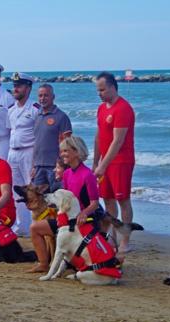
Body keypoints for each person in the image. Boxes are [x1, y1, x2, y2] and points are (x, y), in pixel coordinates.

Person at [29, 136, 100, 272]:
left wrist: (84, 213)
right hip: (66, 220)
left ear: (77, 152)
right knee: (35, 228)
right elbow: (64, 200)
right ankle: (43, 264)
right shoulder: (67, 174)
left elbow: (95, 203)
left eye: (66, 151)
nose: (62, 154)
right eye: (62, 151)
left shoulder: (88, 175)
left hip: (82, 221)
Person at [93, 71, 135, 253]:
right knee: (108, 199)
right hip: (105, 161)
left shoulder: (123, 108)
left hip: (121, 161)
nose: (99, 93)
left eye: (102, 90)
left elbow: (117, 141)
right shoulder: (102, 108)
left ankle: (125, 239)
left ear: (112, 87)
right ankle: (112, 237)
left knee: (122, 199)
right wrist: (96, 161)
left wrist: (103, 165)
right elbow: (99, 136)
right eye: (98, 90)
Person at [6, 72, 38, 236]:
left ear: (28, 88)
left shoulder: (34, 109)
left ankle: (34, 225)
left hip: (29, 151)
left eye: (19, 86)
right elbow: (10, 131)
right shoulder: (11, 109)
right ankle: (21, 226)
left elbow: (40, 135)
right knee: (16, 189)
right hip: (13, 152)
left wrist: (35, 161)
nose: (15, 89)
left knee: (31, 189)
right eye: (14, 86)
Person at [32, 84, 72, 187]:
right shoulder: (37, 116)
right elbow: (36, 142)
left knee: (57, 200)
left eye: (46, 95)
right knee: (39, 201)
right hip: (38, 167)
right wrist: (33, 166)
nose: (42, 98)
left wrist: (62, 166)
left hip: (54, 167)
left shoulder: (61, 117)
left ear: (53, 97)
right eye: (40, 96)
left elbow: (68, 144)